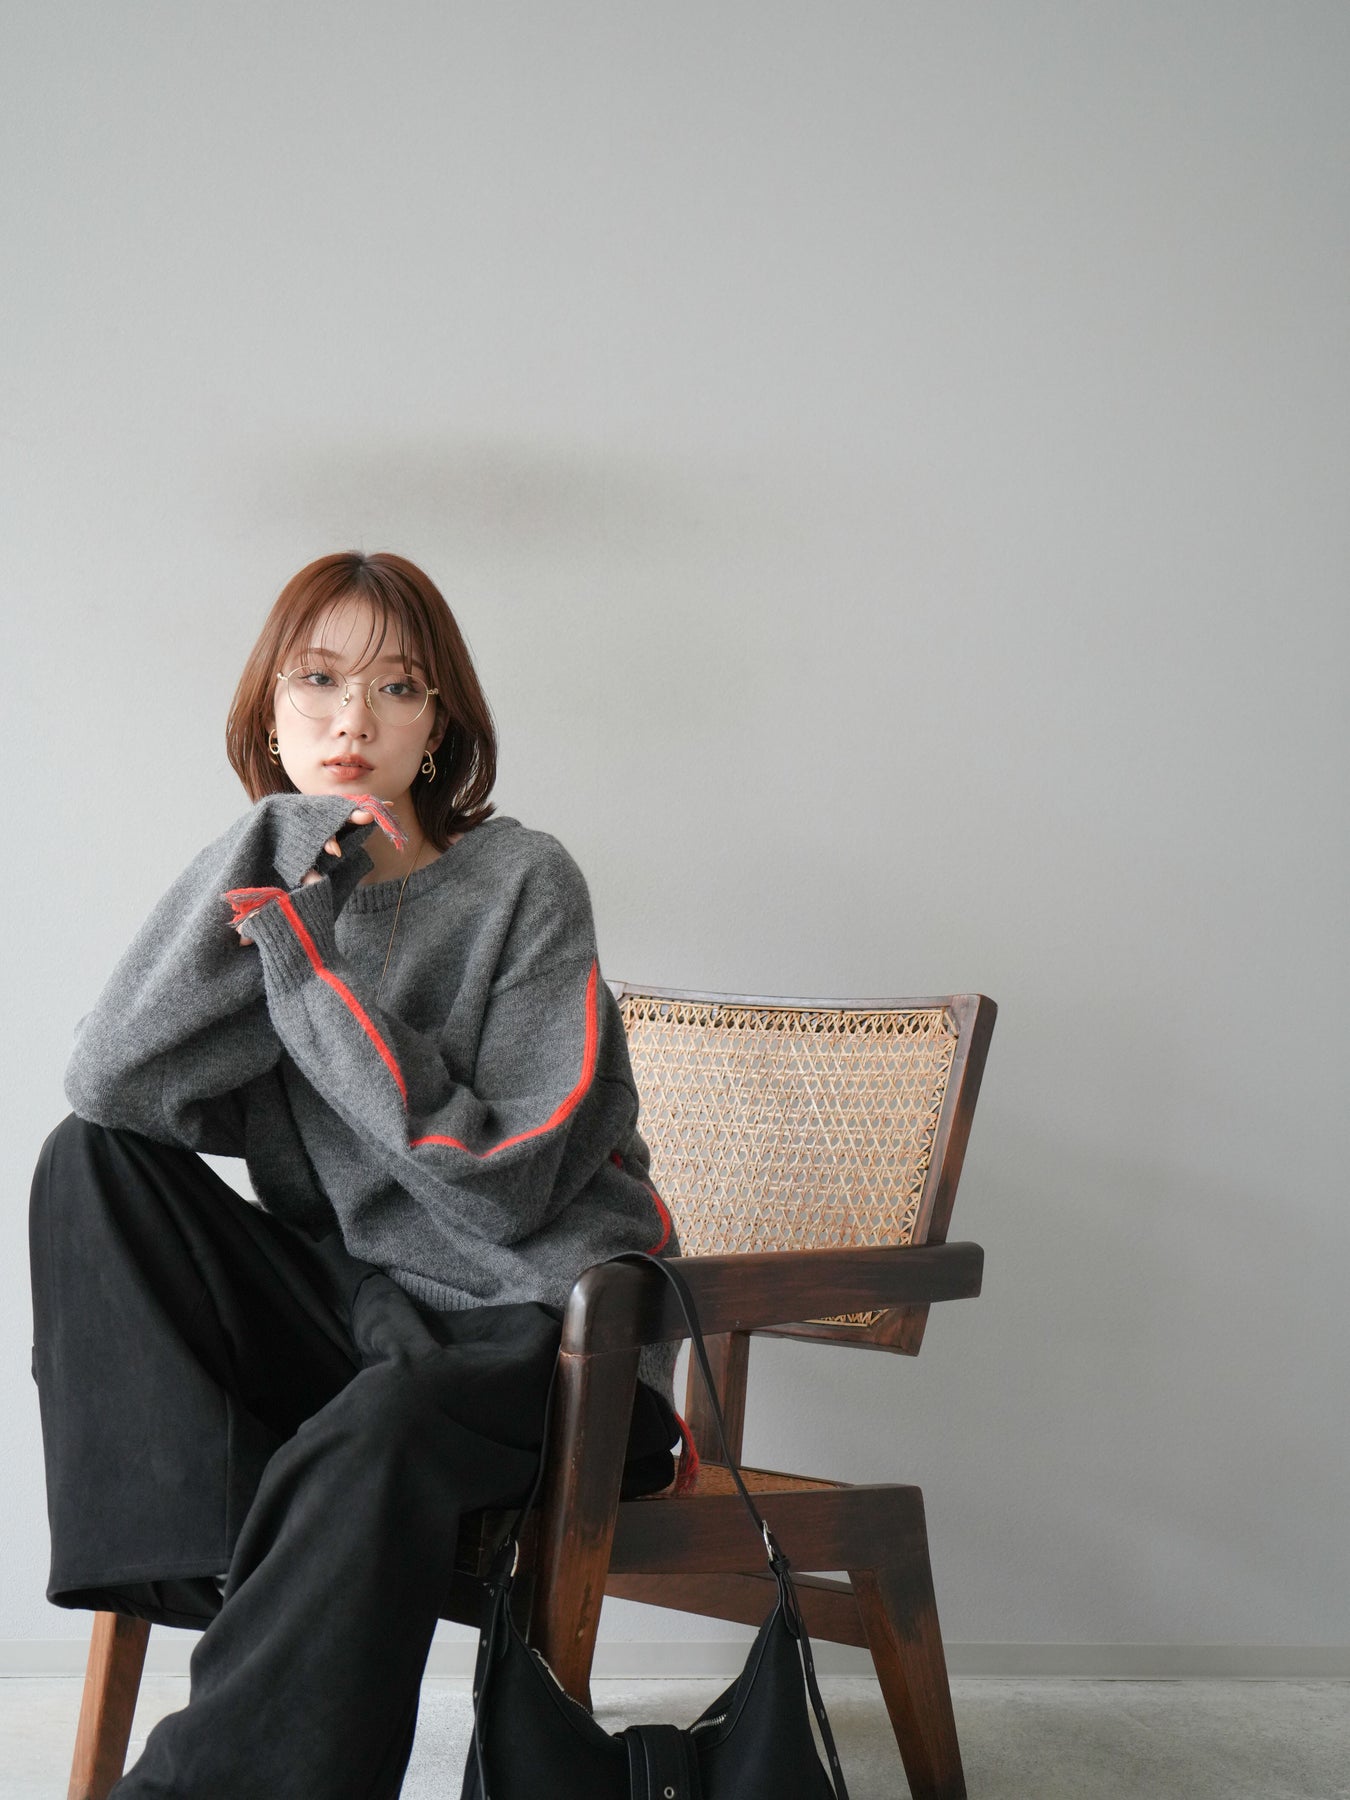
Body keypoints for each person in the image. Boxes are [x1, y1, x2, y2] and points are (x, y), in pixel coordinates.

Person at [28, 550, 689, 1799]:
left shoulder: (523, 881)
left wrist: (310, 974)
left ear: (439, 726)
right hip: (370, 1315)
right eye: (319, 681)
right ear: (268, 710)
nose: (353, 720)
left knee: (382, 1425)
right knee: (90, 1161)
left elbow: (504, 1187)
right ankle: (228, 1560)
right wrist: (274, 849)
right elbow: (112, 1082)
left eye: (397, 688)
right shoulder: (285, 887)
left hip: (547, 1333)